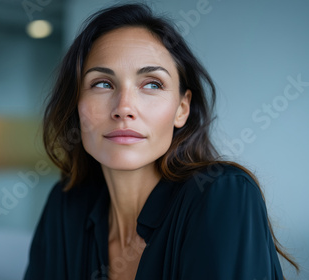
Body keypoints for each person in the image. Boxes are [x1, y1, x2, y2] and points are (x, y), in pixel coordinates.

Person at [24, 3, 299, 280]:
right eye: (103, 83)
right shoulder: (66, 205)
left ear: (182, 108)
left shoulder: (223, 195)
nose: (124, 108)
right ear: (76, 104)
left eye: (152, 84)